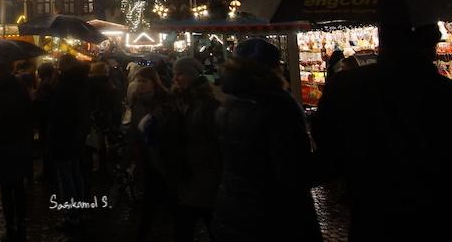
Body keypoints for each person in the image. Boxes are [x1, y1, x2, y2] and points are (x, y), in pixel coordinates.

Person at [312, 23, 452, 240]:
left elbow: (327, 146)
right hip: (435, 217)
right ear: (431, 48)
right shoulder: (450, 95)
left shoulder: (345, 85)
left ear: (382, 43)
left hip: (371, 212)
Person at [212, 38, 322, 242]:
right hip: (275, 218)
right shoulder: (276, 108)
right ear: (273, 69)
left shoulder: (228, 104)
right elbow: (296, 173)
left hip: (234, 209)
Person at [150, 57, 222, 242]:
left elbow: (217, 140)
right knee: (205, 221)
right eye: (174, 74)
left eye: (179, 74)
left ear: (191, 75)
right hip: (187, 170)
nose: (175, 78)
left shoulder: (208, 105)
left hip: (205, 171)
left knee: (188, 222)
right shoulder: (176, 101)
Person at [0, 60, 34, 242]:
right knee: (19, 186)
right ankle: (21, 223)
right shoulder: (22, 89)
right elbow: (30, 114)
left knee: (6, 189)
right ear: (12, 69)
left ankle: (9, 226)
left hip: (1, 143)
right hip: (20, 141)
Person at [119, 66, 169, 242]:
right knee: (149, 203)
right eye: (138, 81)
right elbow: (133, 133)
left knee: (168, 202)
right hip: (147, 159)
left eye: (144, 81)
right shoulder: (137, 101)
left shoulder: (164, 102)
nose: (140, 85)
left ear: (154, 83)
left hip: (164, 160)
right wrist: (123, 165)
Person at [47, 54, 91, 235]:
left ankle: (72, 217)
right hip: (77, 136)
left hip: (64, 137)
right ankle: (80, 214)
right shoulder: (82, 83)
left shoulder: (66, 87)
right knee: (76, 174)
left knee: (66, 177)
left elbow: (58, 114)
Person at [32, 62, 58, 182]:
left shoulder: (44, 87)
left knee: (46, 147)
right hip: (52, 121)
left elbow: (42, 105)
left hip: (45, 121)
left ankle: (48, 172)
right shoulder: (56, 84)